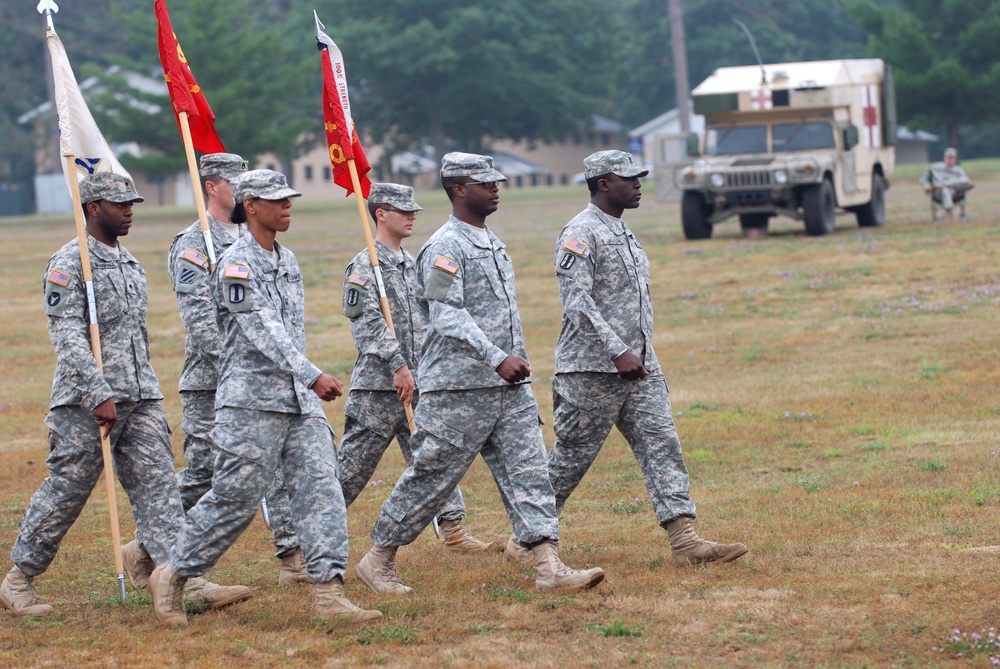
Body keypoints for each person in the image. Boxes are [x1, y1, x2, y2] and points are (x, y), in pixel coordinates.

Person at [353, 153, 605, 596]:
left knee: (529, 472)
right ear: (458, 190)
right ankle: (379, 559)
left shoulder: (492, 242)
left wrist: (513, 364)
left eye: (496, 182)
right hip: (459, 389)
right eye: (484, 183)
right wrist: (495, 357)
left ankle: (548, 564)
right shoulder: (444, 246)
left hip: (507, 388)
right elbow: (444, 313)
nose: (495, 188)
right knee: (431, 476)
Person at [0, 172, 249, 616]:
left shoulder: (129, 262)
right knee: (66, 492)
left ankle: (181, 579)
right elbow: (68, 337)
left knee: (160, 493)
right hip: (85, 404)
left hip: (141, 397)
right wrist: (97, 391)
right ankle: (19, 579)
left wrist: (143, 391)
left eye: (132, 203)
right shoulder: (71, 262)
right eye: (120, 205)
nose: (130, 211)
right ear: (94, 208)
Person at [149, 169, 380, 627]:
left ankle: (328, 592)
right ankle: (174, 573)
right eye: (277, 200)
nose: (288, 206)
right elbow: (260, 327)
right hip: (250, 403)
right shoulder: (235, 264)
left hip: (298, 402)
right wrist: (312, 374)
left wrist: (305, 384)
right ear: (250, 205)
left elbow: (288, 329)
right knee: (234, 498)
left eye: (290, 199)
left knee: (321, 490)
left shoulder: (288, 260)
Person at [544, 150, 748, 568]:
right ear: (603, 184)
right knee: (569, 462)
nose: (638, 184)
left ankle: (685, 540)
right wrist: (615, 349)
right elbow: (576, 302)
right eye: (629, 178)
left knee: (662, 444)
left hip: (639, 367)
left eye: (639, 177)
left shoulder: (622, 232)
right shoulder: (581, 232)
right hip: (591, 370)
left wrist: (637, 353)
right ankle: (527, 535)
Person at [139, 152, 306, 588]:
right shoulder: (194, 245)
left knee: (275, 468)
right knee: (208, 475)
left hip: (266, 382)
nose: (246, 190)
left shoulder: (259, 239)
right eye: (236, 183)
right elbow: (200, 326)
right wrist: (247, 365)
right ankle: (148, 546)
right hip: (213, 383)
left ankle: (293, 556)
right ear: (212, 186)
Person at [340, 182, 501, 555]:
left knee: (434, 458)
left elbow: (434, 317)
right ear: (381, 214)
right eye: (403, 210)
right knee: (350, 473)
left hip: (421, 382)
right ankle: (302, 540)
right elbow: (365, 325)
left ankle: (454, 532)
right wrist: (397, 365)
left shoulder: (414, 263)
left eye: (414, 209)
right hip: (380, 390)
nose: (412, 215)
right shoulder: (365, 265)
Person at [920, 147, 973, 220]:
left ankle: (948, 209)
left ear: (955, 159)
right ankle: (950, 210)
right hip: (938, 192)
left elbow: (964, 180)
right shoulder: (935, 167)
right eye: (948, 158)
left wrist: (947, 184)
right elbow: (924, 178)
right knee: (945, 190)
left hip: (955, 192)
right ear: (945, 158)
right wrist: (925, 184)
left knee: (962, 181)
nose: (950, 160)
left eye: (952, 158)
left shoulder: (958, 170)